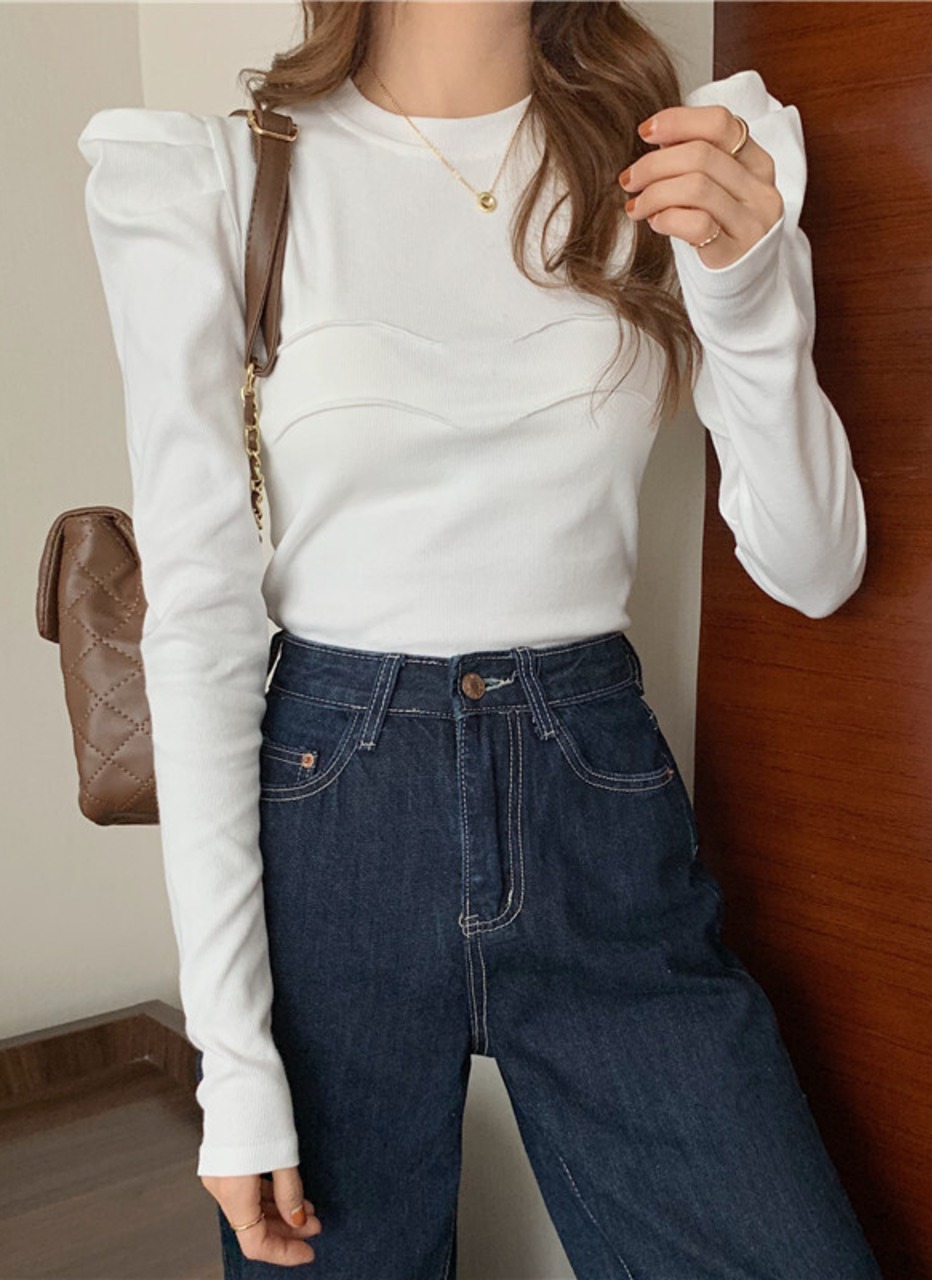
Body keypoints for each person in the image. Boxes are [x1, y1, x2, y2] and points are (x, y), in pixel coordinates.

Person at [76, 2, 881, 1276]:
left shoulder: (682, 154)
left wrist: (745, 289)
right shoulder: (222, 178)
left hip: (592, 795)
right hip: (331, 803)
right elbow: (203, 628)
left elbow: (814, 567)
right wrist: (234, 1062)